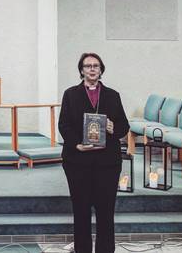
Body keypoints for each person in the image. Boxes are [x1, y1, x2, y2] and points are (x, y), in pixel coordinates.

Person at [58, 52, 129, 253]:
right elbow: (63, 125)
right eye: (87, 66)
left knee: (106, 211)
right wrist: (76, 144)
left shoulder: (113, 95)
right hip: (77, 161)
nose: (91, 69)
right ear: (81, 70)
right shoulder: (70, 94)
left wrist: (113, 127)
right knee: (81, 210)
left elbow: (124, 126)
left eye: (95, 66)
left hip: (107, 163)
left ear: (101, 70)